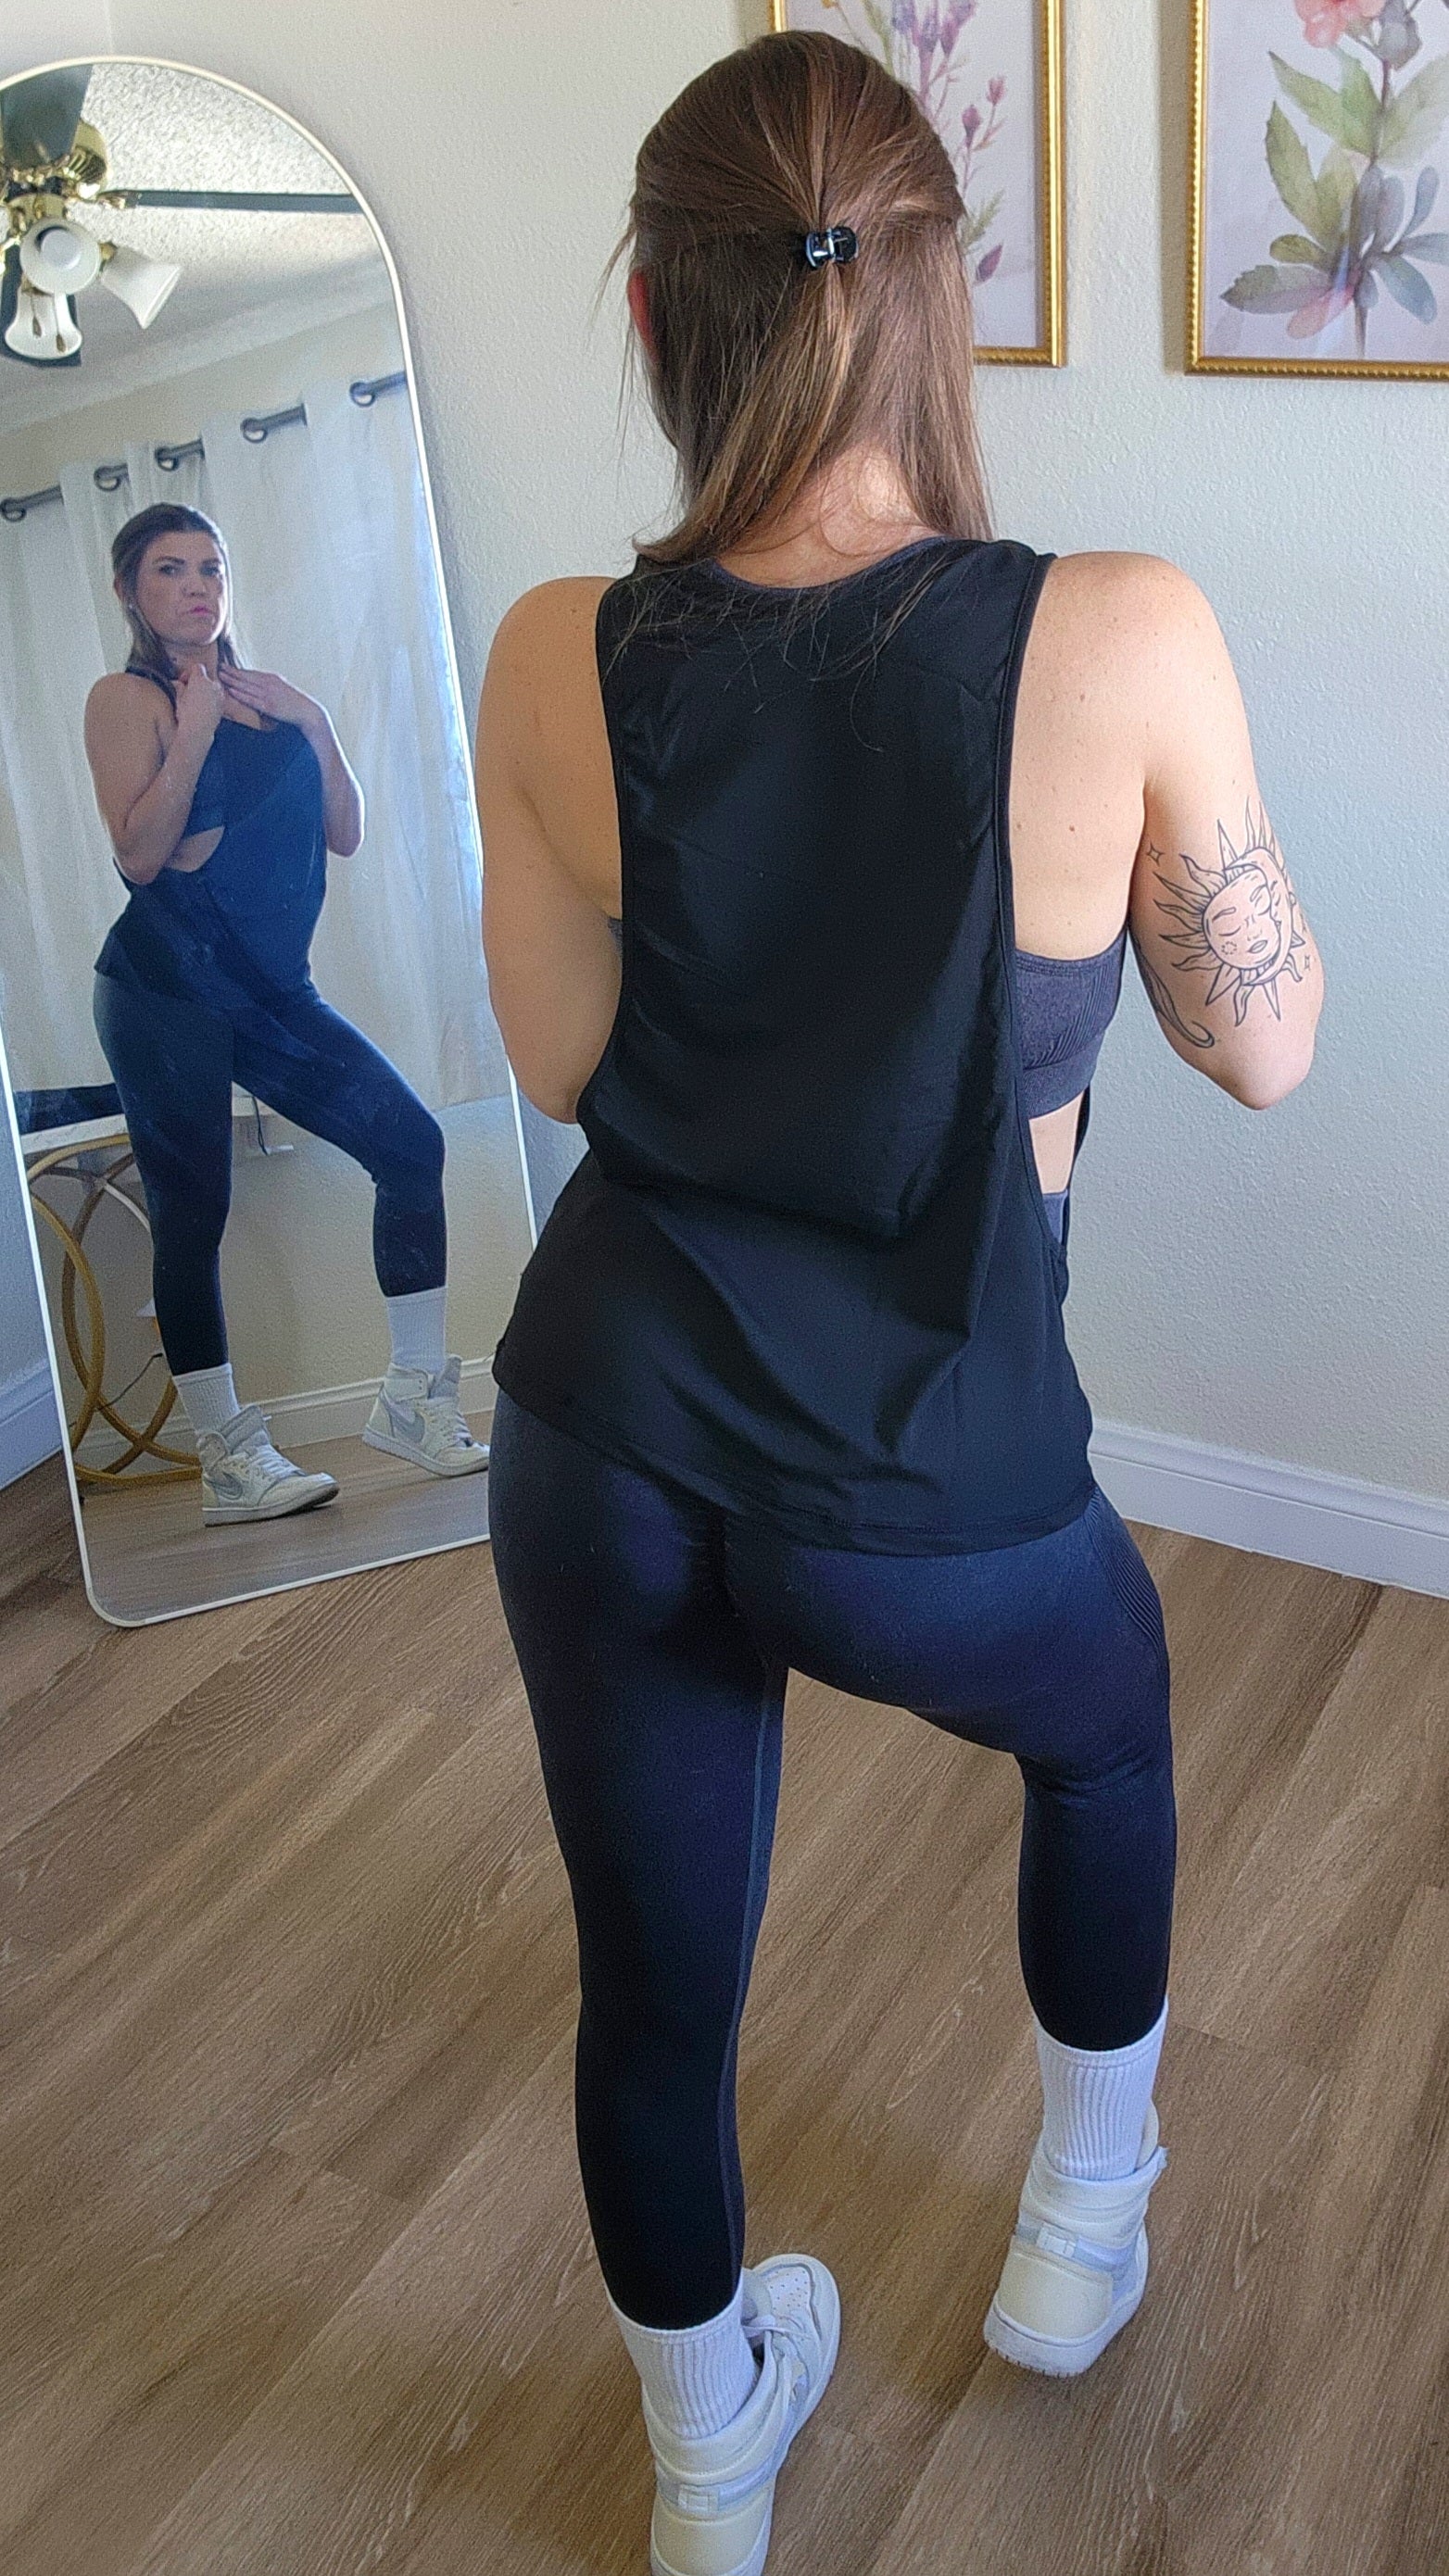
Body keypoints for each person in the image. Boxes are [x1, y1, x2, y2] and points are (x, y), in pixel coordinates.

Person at [474, 31, 1323, 2576]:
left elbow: (560, 1056)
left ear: (653, 311)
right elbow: (1267, 1048)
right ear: (939, 304)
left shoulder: (549, 648)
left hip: (597, 1426)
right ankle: (1080, 2223)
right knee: (1104, 1733)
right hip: (912, 1474)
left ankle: (706, 2462)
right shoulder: (1118, 629)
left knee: (651, 1973)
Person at [83, 500, 489, 1526]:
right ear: (132, 590)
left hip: (268, 990)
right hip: (161, 989)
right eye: (171, 569)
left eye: (212, 567)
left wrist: (314, 720)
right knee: (193, 1219)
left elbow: (344, 832)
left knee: (408, 1145)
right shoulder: (125, 697)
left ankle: (410, 1402)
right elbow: (138, 857)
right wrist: (196, 730)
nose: (197, 586)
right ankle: (227, 1460)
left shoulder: (271, 699)